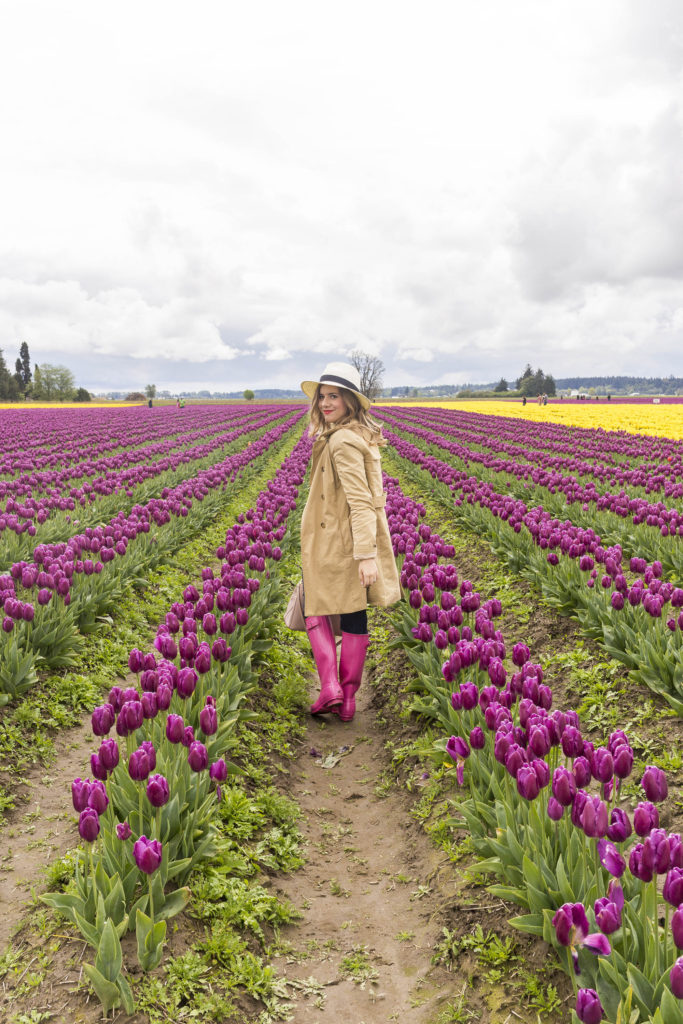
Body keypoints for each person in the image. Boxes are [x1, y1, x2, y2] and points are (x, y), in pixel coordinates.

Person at [299, 361, 401, 720]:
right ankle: (350, 698)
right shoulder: (357, 434)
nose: (326, 404)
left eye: (334, 397)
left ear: (350, 401)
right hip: (348, 537)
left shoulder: (341, 441)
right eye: (322, 397)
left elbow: (360, 501)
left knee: (314, 602)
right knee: (353, 608)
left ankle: (330, 687)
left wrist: (366, 555)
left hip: (336, 539)